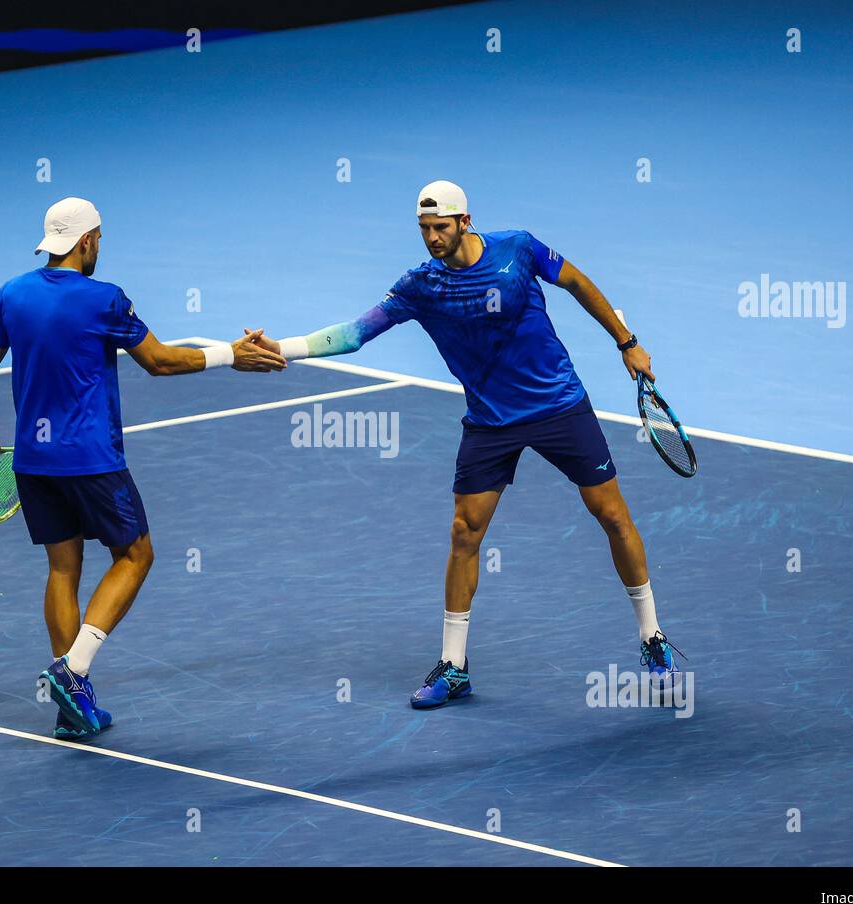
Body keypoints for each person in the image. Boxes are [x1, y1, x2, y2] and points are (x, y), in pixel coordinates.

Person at [245, 181, 680, 708]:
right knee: (464, 533)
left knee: (611, 515)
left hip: (559, 405)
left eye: (440, 227)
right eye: (424, 229)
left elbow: (578, 283)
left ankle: (652, 637)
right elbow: (354, 334)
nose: (431, 238)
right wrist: (283, 349)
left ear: (465, 221)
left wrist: (627, 343)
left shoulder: (517, 249)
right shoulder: (420, 286)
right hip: (491, 422)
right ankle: (454, 667)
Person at [0, 197, 285, 737]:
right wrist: (232, 353)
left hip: (35, 462)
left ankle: (75, 704)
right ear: (88, 242)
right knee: (136, 555)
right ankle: (74, 669)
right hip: (91, 460)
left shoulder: (13, 293)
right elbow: (160, 362)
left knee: (63, 570)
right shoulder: (104, 299)